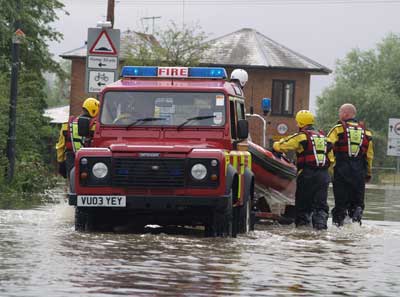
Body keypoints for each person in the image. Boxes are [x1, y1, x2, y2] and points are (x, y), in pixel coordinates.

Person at [273, 110, 334, 230]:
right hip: (323, 176)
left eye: (297, 123)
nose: (296, 125)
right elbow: (331, 160)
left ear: (301, 123)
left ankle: (303, 231)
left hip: (307, 175)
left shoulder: (301, 136)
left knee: (303, 206)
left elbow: (282, 146)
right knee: (320, 206)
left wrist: (275, 146)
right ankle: (320, 230)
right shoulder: (325, 138)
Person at [327, 103, 373, 226]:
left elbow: (328, 146)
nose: (339, 115)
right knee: (357, 204)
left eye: (340, 112)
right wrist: (368, 173)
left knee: (340, 204)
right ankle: (356, 223)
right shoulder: (367, 133)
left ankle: (339, 228)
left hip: (341, 171)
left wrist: (330, 167)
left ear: (345, 114)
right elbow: (369, 156)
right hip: (359, 173)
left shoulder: (338, 129)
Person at [56, 97, 99, 178]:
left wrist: (61, 163)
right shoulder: (95, 126)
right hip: (90, 159)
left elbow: (60, 146)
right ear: (94, 110)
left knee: (73, 185)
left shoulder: (67, 125)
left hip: (71, 159)